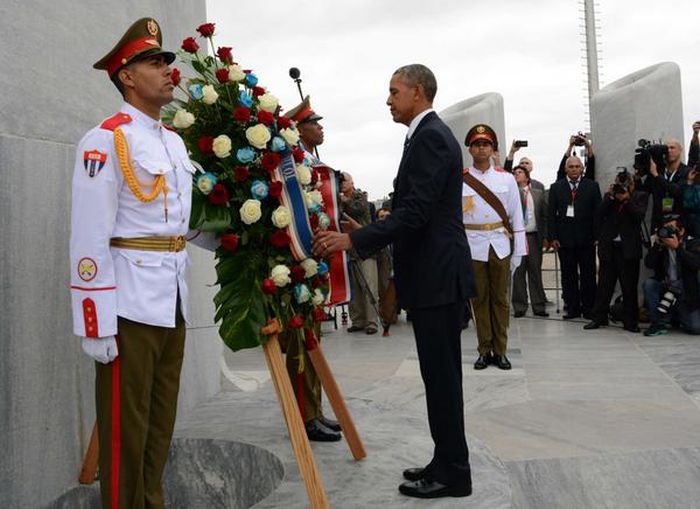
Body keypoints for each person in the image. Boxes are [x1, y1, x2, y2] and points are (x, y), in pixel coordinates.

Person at [313, 64, 474, 499]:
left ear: (418, 92)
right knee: (437, 377)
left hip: (437, 277)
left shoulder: (431, 137)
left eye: (394, 91)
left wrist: (353, 239)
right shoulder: (424, 136)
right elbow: (416, 208)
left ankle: (455, 472)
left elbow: (418, 213)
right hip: (432, 275)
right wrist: (372, 224)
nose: (388, 100)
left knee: (442, 379)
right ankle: (445, 460)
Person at [70, 18, 200, 508]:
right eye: (154, 62)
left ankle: (152, 500)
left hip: (172, 298)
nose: (169, 70)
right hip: (128, 303)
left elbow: (182, 224)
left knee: (162, 418)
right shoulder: (105, 140)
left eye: (167, 61)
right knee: (126, 426)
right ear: (126, 76)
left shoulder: (174, 142)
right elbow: (88, 236)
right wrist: (95, 322)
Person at [281, 97, 342, 442]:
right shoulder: (292, 164)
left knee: (313, 340)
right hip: (297, 264)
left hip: (313, 262)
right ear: (298, 128)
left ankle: (314, 409)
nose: (321, 127)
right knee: (302, 342)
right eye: (314, 123)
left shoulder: (311, 162)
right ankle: (303, 414)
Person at [463, 124, 526, 370]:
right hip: (473, 245)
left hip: (499, 244)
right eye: (477, 144)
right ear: (470, 148)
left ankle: (501, 350)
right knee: (479, 300)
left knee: (500, 300)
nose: (481, 148)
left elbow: (516, 216)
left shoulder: (506, 179)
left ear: (492, 149)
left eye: (486, 144)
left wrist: (519, 250)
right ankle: (484, 349)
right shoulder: (461, 179)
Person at [583, 171, 649, 332]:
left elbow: (638, 216)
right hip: (609, 248)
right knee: (604, 286)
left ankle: (630, 322)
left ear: (632, 184)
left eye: (626, 183)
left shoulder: (639, 196)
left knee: (629, 287)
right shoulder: (610, 197)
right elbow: (599, 214)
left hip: (628, 250)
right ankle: (599, 317)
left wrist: (626, 199)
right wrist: (611, 197)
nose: (622, 187)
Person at [548, 156, 602, 319]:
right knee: (568, 275)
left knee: (588, 275)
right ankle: (572, 308)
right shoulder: (556, 187)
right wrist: (553, 236)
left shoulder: (592, 186)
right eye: (571, 166)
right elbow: (551, 215)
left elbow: (598, 213)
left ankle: (589, 308)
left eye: (577, 166)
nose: (574, 169)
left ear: (582, 169)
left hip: (587, 239)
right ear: (566, 169)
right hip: (565, 240)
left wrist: (597, 235)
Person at [642, 215, 700, 336]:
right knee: (649, 284)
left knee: (696, 328)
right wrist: (657, 245)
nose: (668, 232)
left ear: (681, 230)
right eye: (665, 229)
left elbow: (695, 263)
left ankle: (675, 316)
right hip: (666, 288)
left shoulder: (693, 243)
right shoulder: (661, 246)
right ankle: (657, 323)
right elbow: (649, 263)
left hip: (685, 293)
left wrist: (678, 248)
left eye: (671, 229)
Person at [340, 172, 380, 335]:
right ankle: (358, 320)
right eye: (340, 181)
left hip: (366, 249)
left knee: (369, 286)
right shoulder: (338, 200)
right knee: (354, 288)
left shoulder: (360, 197)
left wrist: (346, 201)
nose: (342, 184)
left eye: (345, 181)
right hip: (348, 249)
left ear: (352, 182)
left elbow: (359, 209)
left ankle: (372, 322)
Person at [511, 165, 549, 318]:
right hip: (518, 237)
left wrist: (546, 237)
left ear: (527, 177)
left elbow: (544, 216)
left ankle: (539, 305)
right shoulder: (511, 194)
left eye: (519, 172)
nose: (516, 175)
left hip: (534, 237)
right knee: (518, 272)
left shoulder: (538, 194)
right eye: (514, 173)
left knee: (535, 271)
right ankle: (520, 306)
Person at [645, 139, 691, 230]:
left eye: (672, 148)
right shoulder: (657, 171)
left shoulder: (687, 172)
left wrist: (657, 176)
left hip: (679, 224)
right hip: (657, 224)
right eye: (666, 149)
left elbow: (678, 191)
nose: (669, 151)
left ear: (680, 150)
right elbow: (645, 190)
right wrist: (638, 178)